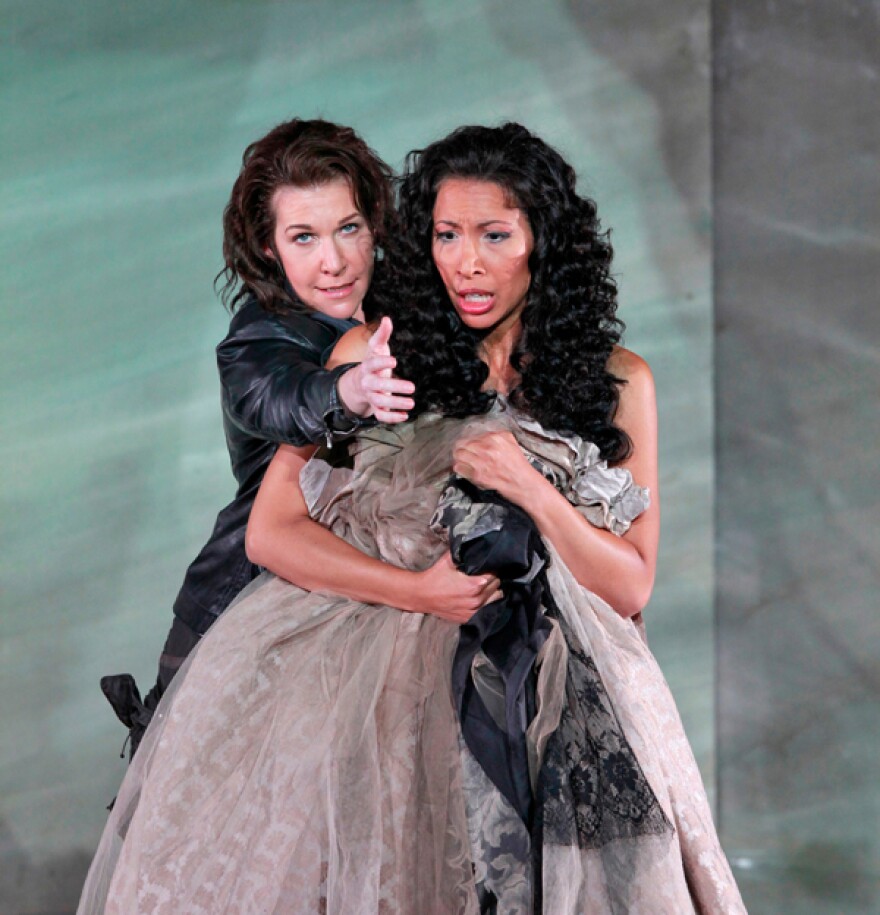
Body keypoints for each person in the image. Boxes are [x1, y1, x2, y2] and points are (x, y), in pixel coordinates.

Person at [79, 124, 745, 914]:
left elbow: (630, 585)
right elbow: (272, 530)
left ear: (543, 240)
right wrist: (417, 589)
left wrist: (532, 490)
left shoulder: (621, 381)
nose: (467, 262)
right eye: (446, 235)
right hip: (372, 691)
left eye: (495, 235)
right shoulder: (377, 355)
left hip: (559, 698)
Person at [100, 117, 427, 757]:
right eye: (304, 237)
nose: (334, 261)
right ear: (269, 247)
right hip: (250, 590)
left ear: (375, 225)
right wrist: (348, 391)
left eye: (349, 229)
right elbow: (274, 395)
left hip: (373, 565)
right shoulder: (258, 336)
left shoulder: (398, 299)